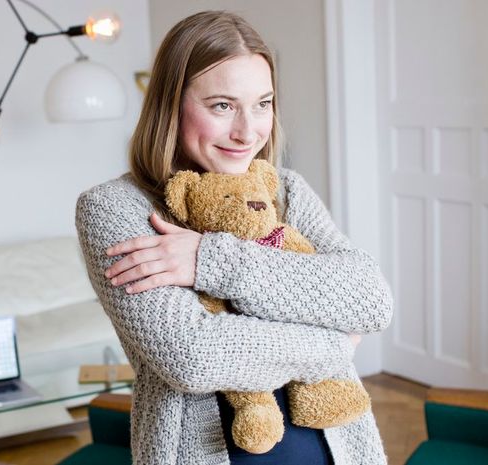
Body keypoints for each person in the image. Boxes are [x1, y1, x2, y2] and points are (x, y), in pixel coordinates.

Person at [74, 10, 393, 465]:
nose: (248, 132)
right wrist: (334, 343)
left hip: (336, 450)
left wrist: (210, 260)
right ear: (171, 103)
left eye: (263, 103)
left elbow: (370, 299)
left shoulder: (286, 190)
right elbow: (193, 356)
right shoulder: (115, 209)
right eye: (222, 105)